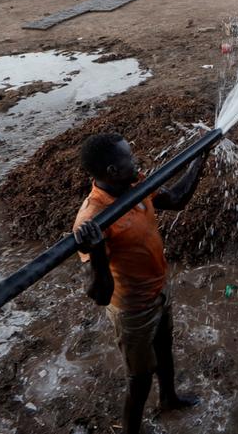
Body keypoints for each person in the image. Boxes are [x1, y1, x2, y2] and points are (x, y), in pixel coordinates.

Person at [73, 133, 211, 434]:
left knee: (164, 347)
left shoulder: (135, 184)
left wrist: (200, 157)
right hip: (132, 308)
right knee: (140, 377)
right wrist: (97, 252)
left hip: (158, 289)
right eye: (130, 158)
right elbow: (100, 295)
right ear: (112, 170)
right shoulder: (93, 217)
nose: (137, 161)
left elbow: (174, 200)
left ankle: (169, 400)